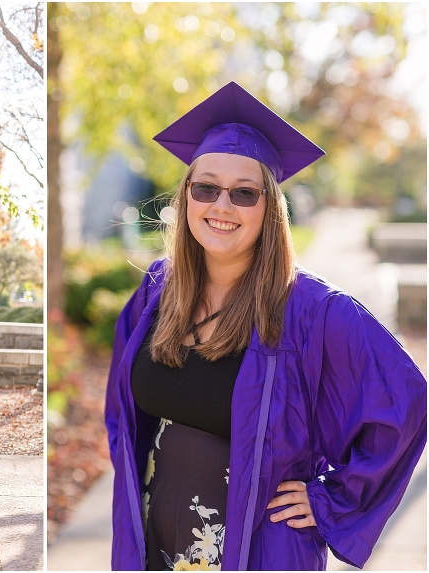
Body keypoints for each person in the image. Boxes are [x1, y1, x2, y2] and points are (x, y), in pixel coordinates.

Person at [105, 82, 426, 570]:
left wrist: (329, 499)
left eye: (244, 193)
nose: (221, 206)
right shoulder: (157, 290)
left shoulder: (312, 310)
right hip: (154, 544)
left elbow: (405, 401)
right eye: (206, 187)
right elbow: (123, 415)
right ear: (187, 194)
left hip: (260, 551)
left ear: (269, 208)